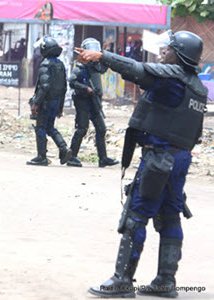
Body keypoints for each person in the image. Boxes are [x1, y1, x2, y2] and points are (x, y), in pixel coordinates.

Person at [78, 31, 207, 298]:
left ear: (179, 55)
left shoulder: (172, 80)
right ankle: (165, 282)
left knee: (136, 215)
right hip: (180, 158)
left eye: (169, 49)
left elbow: (137, 70)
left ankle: (122, 280)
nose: (164, 53)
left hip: (159, 157)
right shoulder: (197, 88)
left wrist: (103, 56)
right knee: (170, 215)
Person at [67, 38, 119, 168]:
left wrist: (106, 55)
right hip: (83, 102)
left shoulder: (96, 66)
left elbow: (104, 68)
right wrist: (86, 88)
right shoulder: (80, 67)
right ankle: (72, 157)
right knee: (82, 129)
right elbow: (72, 82)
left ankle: (103, 158)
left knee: (101, 129)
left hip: (95, 102)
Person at [27, 36, 72, 166]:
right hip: (56, 101)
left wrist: (36, 103)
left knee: (41, 127)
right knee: (50, 127)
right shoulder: (60, 64)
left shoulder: (45, 64)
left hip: (46, 102)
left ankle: (41, 156)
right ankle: (63, 148)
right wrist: (61, 106)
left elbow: (44, 86)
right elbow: (64, 87)